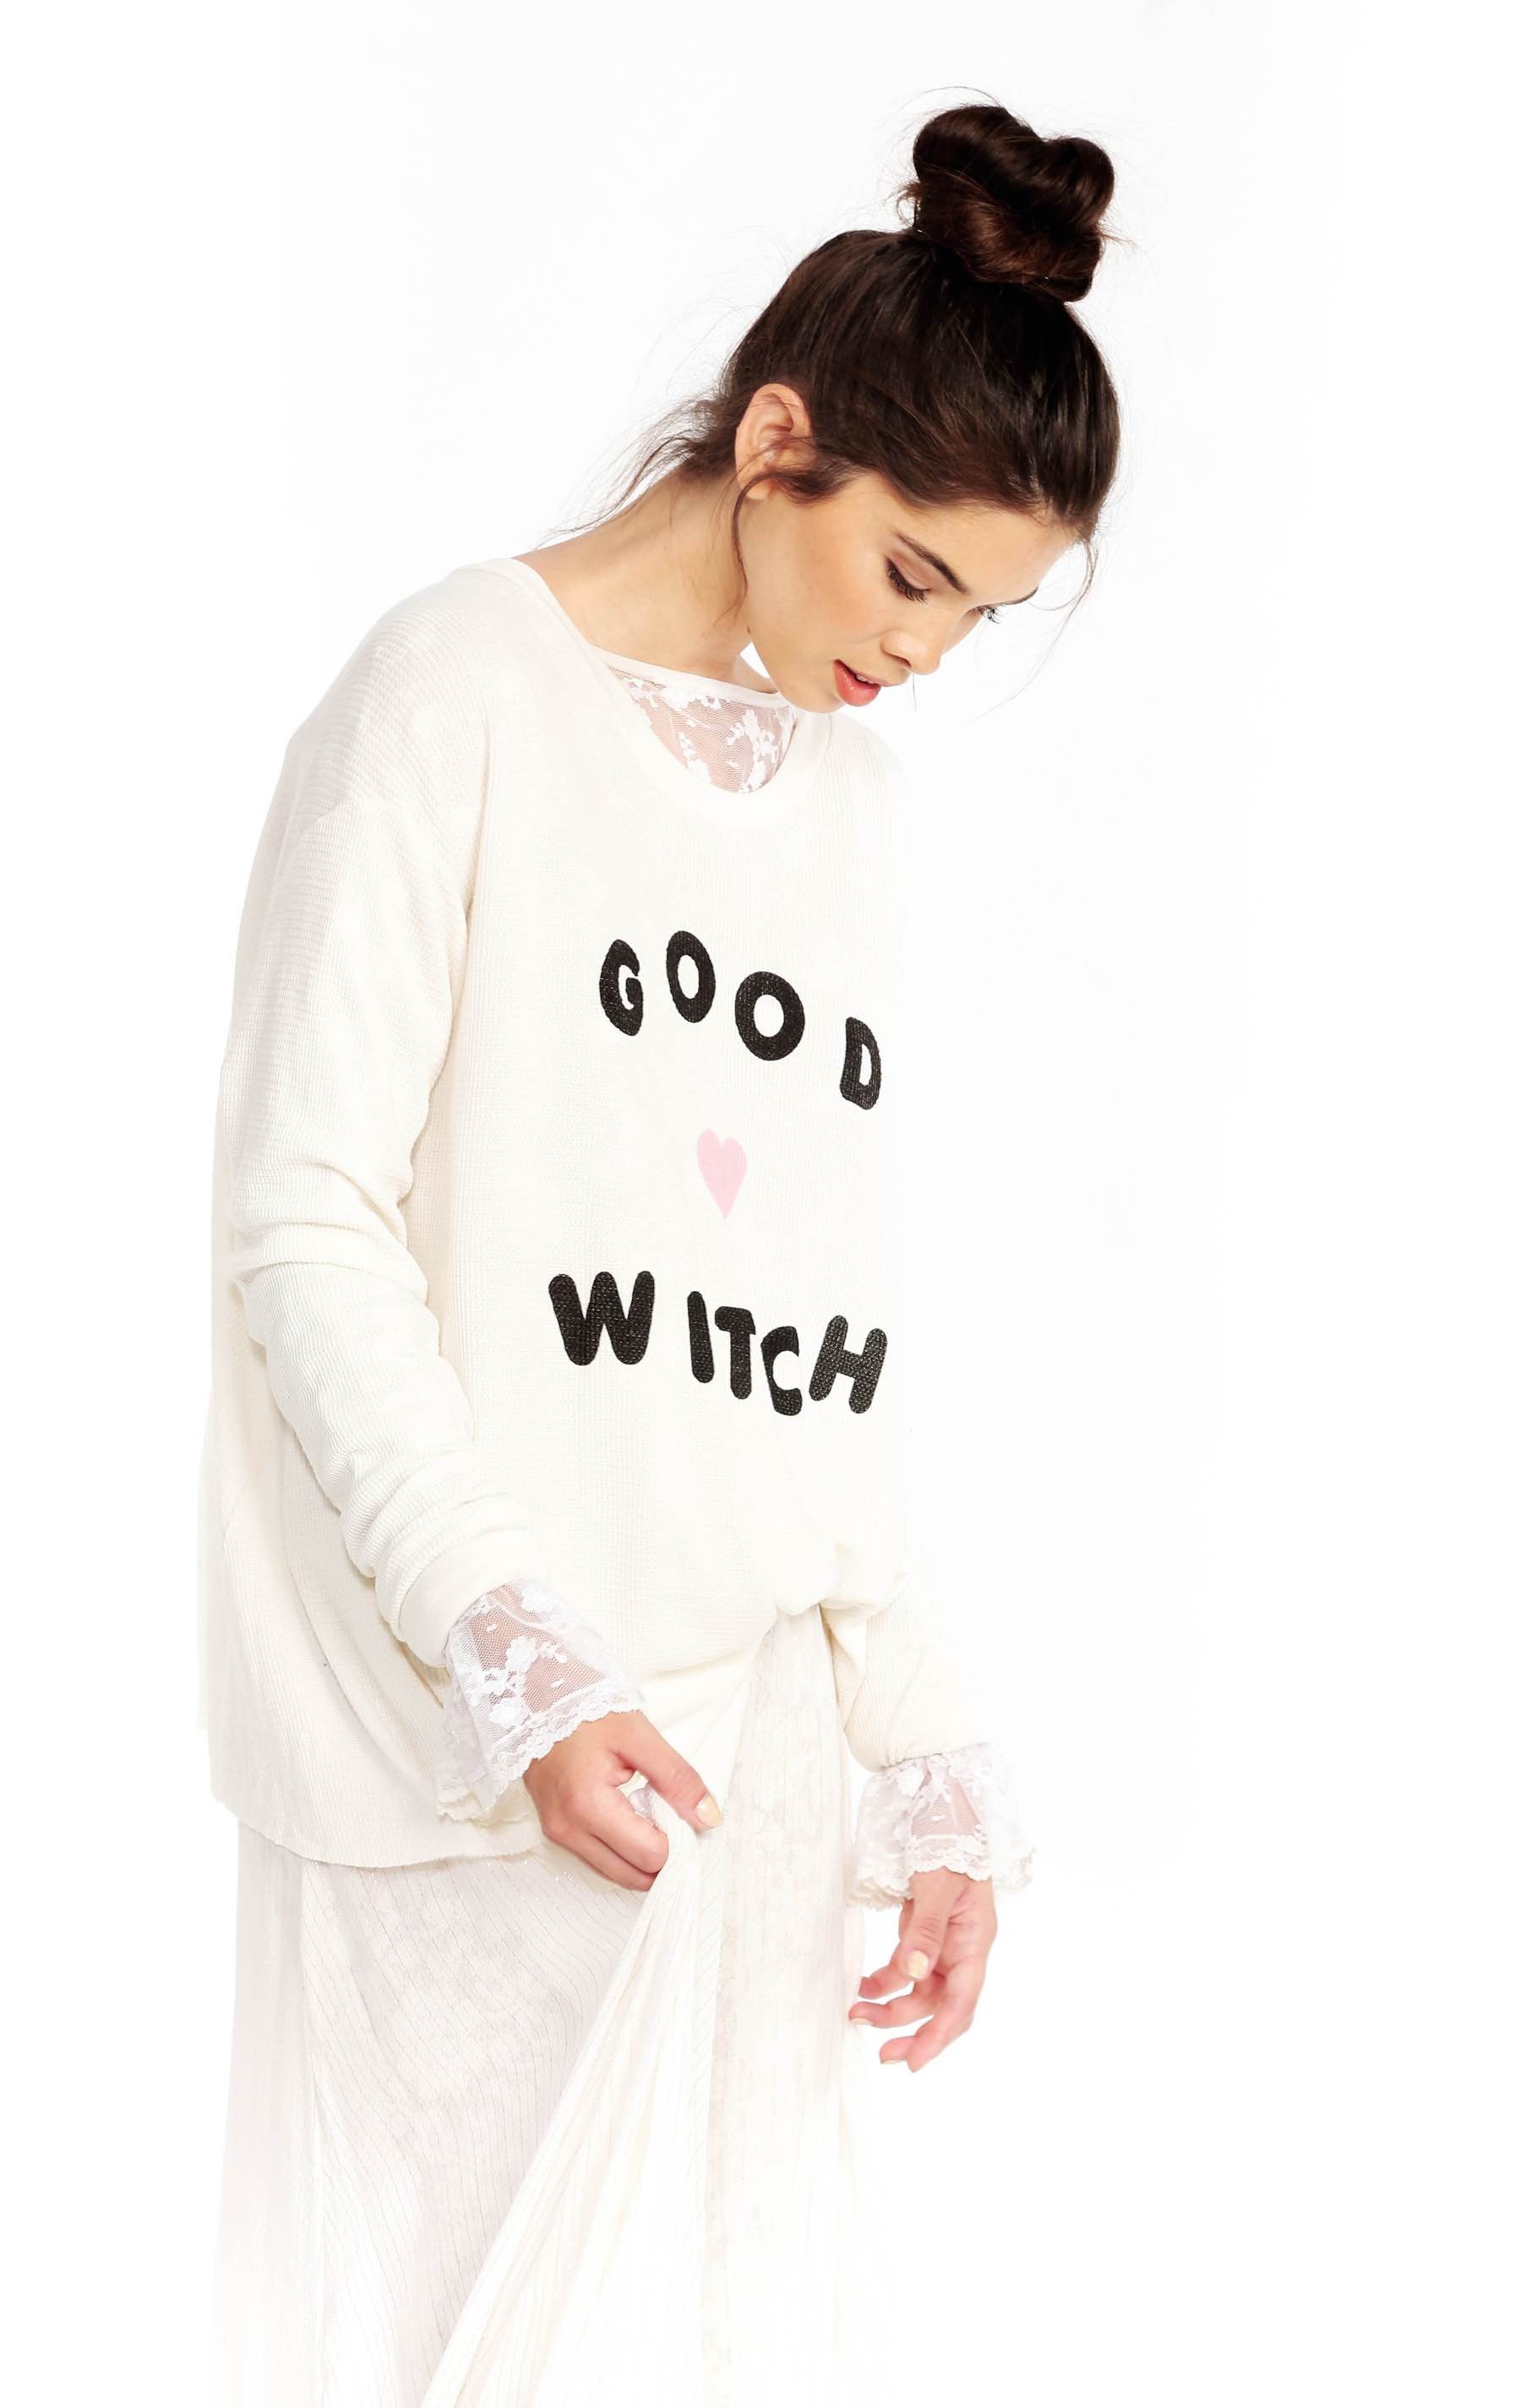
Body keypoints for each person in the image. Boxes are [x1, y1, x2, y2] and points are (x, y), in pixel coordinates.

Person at [200, 94, 1122, 2408]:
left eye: (982, 615)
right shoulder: (449, 695)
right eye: (910, 573)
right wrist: (512, 1655)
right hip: (480, 1757)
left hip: (756, 1752)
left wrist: (926, 1755)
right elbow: (304, 1218)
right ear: (778, 443)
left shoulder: (853, 815)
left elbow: (823, 1343)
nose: (927, 652)